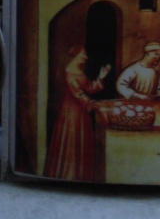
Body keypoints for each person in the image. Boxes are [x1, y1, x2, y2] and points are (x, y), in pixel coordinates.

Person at [43, 45, 111, 182]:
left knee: (81, 141)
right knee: (71, 140)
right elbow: (77, 93)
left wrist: (101, 77)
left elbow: (89, 88)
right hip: (71, 112)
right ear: (76, 55)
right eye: (83, 54)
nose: (86, 57)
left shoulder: (79, 69)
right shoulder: (70, 70)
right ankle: (69, 176)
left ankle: (81, 176)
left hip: (81, 111)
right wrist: (90, 103)